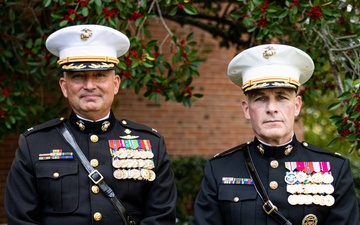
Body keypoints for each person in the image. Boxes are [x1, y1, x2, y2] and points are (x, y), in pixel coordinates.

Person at [4, 24, 177, 225]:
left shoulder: (151, 143)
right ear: (64, 86)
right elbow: (21, 220)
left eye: (100, 75)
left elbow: (161, 218)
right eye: (78, 77)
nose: (89, 85)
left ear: (115, 84)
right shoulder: (34, 145)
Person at [191, 44, 359, 225]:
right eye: (261, 99)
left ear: (297, 106)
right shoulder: (220, 170)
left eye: (281, 97)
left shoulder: (335, 169)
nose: (272, 109)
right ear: (247, 110)